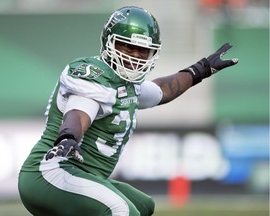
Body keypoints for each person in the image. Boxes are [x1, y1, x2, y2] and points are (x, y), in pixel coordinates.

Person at [18, 6, 238, 216]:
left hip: (81, 174)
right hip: (51, 171)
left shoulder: (127, 86)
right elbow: (79, 112)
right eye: (127, 46)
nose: (134, 56)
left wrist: (202, 69)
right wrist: (69, 136)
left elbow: (163, 89)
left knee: (143, 206)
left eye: (143, 50)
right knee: (121, 210)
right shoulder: (94, 76)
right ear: (109, 43)